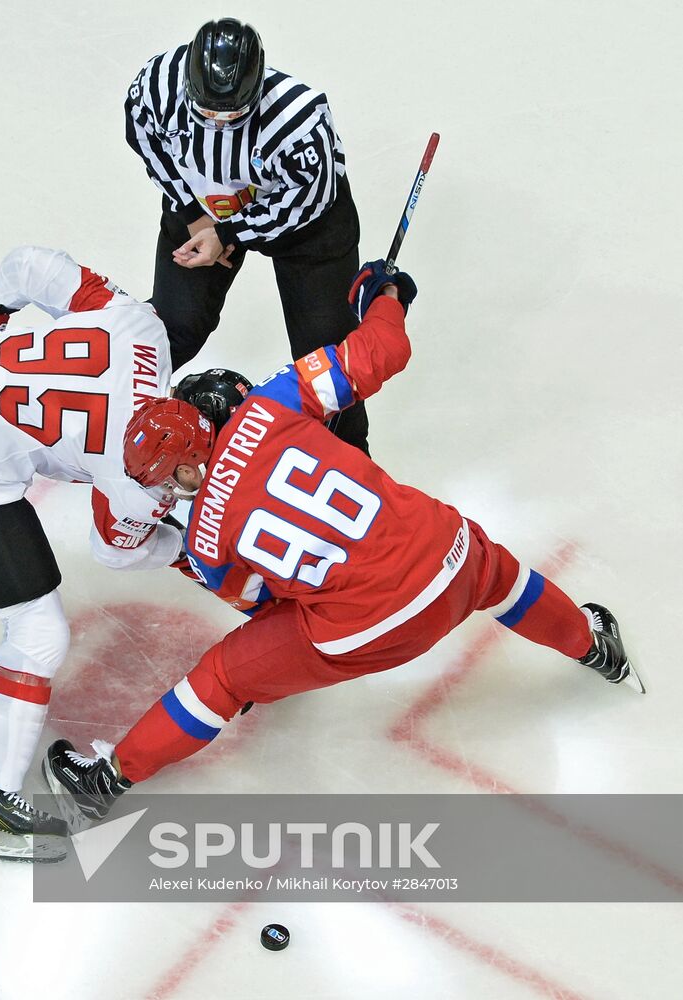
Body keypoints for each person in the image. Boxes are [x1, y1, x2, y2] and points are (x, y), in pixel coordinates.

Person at [43, 260, 643, 815]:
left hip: (366, 634)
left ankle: (105, 783)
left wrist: (261, 662)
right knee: (503, 580)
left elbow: (264, 609)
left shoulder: (204, 539)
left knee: (223, 679)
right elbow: (385, 350)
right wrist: (385, 294)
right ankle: (595, 647)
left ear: (181, 470)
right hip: (451, 557)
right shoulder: (273, 403)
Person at [0, 244, 250, 862]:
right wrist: (188, 545)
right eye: (195, 470)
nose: (197, 478)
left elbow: (30, 265)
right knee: (37, 631)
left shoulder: (142, 331)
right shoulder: (138, 482)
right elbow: (118, 550)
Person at [125, 16, 370, 453]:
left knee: (326, 359)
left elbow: (308, 200)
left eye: (233, 115)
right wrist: (191, 211)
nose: (218, 124)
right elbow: (143, 135)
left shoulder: (299, 118)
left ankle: (349, 458)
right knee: (174, 325)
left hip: (305, 229)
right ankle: (117, 415)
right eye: (206, 112)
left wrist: (230, 232)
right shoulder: (157, 84)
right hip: (202, 208)